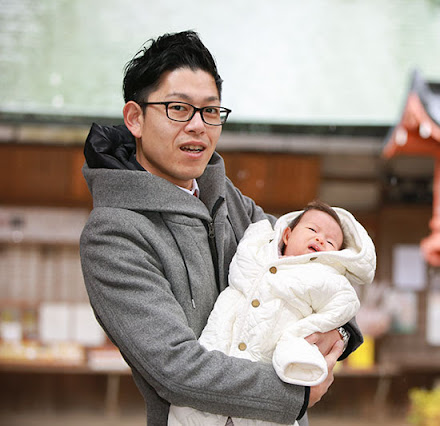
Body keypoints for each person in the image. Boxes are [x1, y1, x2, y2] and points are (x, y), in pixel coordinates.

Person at [79, 30, 363, 426]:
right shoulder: (114, 233)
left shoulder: (225, 198)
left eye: (211, 111)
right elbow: (174, 368)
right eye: (178, 108)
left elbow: (311, 263)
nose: (198, 126)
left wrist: (341, 331)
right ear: (135, 119)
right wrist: (293, 395)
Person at [168, 201, 376, 425]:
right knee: (192, 412)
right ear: (286, 235)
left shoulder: (326, 277)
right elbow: (247, 250)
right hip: (220, 346)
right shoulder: (257, 250)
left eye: (330, 241)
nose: (319, 239)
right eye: (313, 230)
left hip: (270, 371)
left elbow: (343, 305)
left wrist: (302, 336)